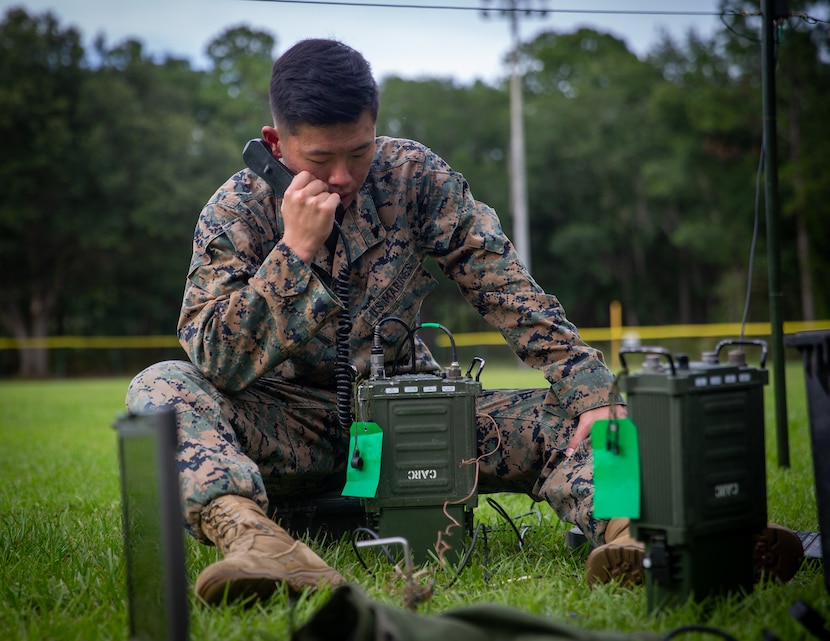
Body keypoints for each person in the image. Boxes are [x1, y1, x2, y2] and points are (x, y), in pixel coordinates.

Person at [125, 38, 800, 605]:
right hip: (282, 432)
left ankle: (638, 528)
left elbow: (505, 284)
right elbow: (215, 356)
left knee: (584, 416)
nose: (342, 177)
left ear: (375, 127)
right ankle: (260, 546)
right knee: (160, 388)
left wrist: (592, 390)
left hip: (407, 425)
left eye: (357, 152)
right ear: (275, 143)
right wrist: (293, 253)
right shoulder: (235, 210)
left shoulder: (412, 176)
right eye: (318, 159)